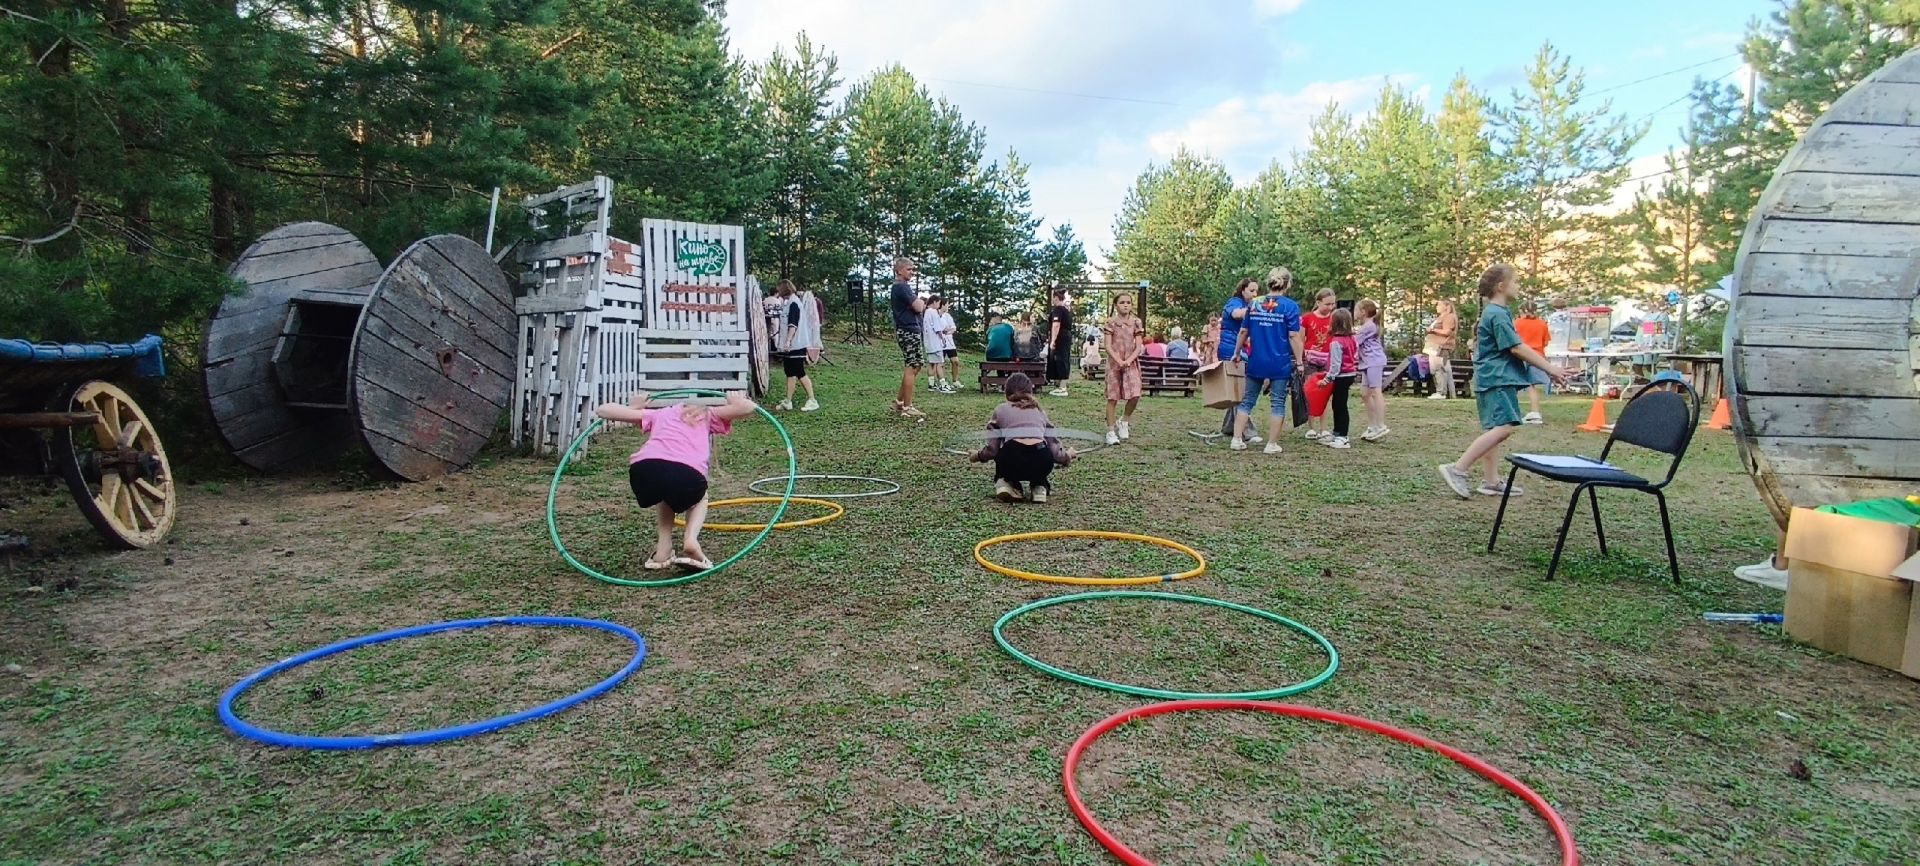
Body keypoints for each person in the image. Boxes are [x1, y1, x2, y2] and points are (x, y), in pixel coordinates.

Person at [1438, 264, 1570, 499]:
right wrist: (1550, 369)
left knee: (1493, 428)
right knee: (1503, 428)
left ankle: (1491, 481)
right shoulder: (1497, 314)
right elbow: (1516, 347)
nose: (1518, 286)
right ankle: (1458, 468)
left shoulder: (1495, 312)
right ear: (1501, 286)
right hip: (1496, 379)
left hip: (1490, 378)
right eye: (1516, 281)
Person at [594, 390, 758, 570]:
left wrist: (634, 407)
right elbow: (749, 408)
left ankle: (663, 550)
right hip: (685, 473)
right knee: (700, 497)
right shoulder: (708, 413)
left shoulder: (659, 413)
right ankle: (690, 540)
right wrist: (735, 401)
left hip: (644, 470)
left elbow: (603, 410)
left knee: (665, 494)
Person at [970, 373, 1075, 503]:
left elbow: (992, 450)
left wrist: (978, 456)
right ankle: (1039, 487)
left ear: (1006, 392)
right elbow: (1054, 450)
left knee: (1003, 452)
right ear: (1030, 392)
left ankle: (1006, 484)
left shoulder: (1001, 410)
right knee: (1039, 452)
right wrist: (1067, 456)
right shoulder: (1040, 411)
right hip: (1041, 460)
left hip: (1012, 460)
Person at [1232, 267, 1303, 454]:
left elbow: (1243, 331)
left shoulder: (1254, 304)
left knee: (1247, 401)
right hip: (1279, 362)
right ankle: (1271, 444)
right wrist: (1300, 361)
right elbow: (1294, 336)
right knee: (1278, 402)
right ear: (1287, 284)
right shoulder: (1290, 306)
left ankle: (1237, 438)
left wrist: (1236, 352)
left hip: (1256, 359)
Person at [1217, 279, 1263, 445]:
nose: (1255, 294)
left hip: (1242, 350)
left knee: (1237, 389)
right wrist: (1258, 306)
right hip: (1231, 351)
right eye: (1251, 290)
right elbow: (1236, 314)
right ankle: (1248, 431)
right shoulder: (1234, 302)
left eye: (1256, 291)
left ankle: (1229, 427)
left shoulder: (1247, 304)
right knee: (1240, 391)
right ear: (1242, 290)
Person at [771, 279, 820, 412]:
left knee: (799, 372)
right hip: (791, 345)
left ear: (783, 290)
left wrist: (788, 341)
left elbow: (793, 325)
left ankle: (812, 400)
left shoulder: (794, 304)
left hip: (796, 345)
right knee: (790, 372)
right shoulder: (789, 303)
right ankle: (788, 400)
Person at [1102, 294, 1145, 445]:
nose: (1125, 305)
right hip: (1114, 363)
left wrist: (1128, 360)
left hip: (1131, 362)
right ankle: (1110, 431)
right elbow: (1107, 345)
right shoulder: (1111, 323)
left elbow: (1138, 346)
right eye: (1122, 302)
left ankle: (1124, 420)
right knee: (1112, 398)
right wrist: (1119, 360)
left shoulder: (1136, 322)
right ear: (1116, 305)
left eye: (1128, 302)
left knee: (1135, 394)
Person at [889, 257, 928, 420]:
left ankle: (899, 401)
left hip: (910, 330)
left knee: (916, 365)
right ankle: (907, 407)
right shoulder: (902, 287)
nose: (912, 272)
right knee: (912, 366)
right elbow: (919, 306)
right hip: (907, 330)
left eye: (913, 269)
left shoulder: (903, 288)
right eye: (909, 269)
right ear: (899, 271)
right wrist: (920, 302)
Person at [1300, 288, 1336, 440]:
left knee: (1325, 393)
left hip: (1328, 359)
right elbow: (1301, 339)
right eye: (1327, 304)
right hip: (1310, 360)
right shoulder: (1307, 318)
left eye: (1333, 304)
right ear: (1318, 302)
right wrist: (1301, 358)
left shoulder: (1335, 319)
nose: (1330, 307)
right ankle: (1311, 427)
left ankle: (1324, 427)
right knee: (1310, 392)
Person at [1320, 308, 1359, 449]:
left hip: (1341, 376)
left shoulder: (1336, 342)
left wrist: (1327, 378)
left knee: (1340, 406)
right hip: (1349, 374)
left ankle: (1342, 436)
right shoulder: (1351, 339)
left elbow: (1336, 364)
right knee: (1338, 404)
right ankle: (1338, 433)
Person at [1354, 298, 1389, 441]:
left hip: (1374, 361)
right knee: (1364, 394)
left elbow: (1354, 341)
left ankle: (1380, 425)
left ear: (1363, 312)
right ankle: (1372, 425)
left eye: (1356, 310)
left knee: (1375, 391)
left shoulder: (1368, 326)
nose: (1354, 313)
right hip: (1367, 363)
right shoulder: (1366, 326)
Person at [1514, 302, 1551, 424]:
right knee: (1531, 385)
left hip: (1521, 355)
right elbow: (1545, 342)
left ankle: (1513, 411)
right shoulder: (1542, 324)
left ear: (1523, 310)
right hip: (1537, 356)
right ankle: (1535, 412)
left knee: (1514, 384)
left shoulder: (1517, 323)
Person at [1424, 298, 1459, 400]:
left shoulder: (1449, 317)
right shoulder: (1440, 317)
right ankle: (1448, 393)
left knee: (1439, 368)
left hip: (1442, 345)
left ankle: (1441, 392)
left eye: (1439, 305)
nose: (1437, 307)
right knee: (1437, 368)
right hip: (1433, 345)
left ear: (1446, 307)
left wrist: (1433, 330)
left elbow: (1447, 331)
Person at [1046, 288, 1075, 397]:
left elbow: (1056, 325)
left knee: (1060, 359)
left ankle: (1062, 387)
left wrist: (1053, 340)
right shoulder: (1066, 310)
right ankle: (1059, 385)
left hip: (1060, 337)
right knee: (1063, 359)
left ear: (1056, 298)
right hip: (1066, 336)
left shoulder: (1058, 310)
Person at [922, 295, 953, 394]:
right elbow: (938, 328)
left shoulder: (926, 312)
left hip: (928, 342)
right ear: (934, 302)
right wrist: (942, 339)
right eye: (939, 303)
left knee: (931, 364)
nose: (939, 305)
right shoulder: (933, 312)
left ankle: (931, 384)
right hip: (935, 343)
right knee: (940, 363)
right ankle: (943, 384)